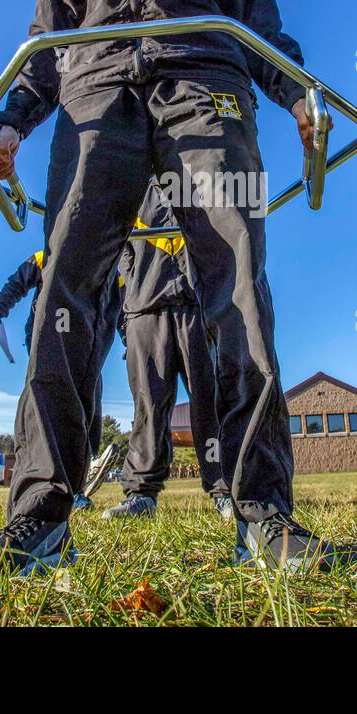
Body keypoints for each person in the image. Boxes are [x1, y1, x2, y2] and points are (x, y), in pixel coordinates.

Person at [0, 0, 333, 576]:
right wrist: (14, 125)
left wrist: (297, 95)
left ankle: (262, 512)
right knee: (64, 294)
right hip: (94, 104)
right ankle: (39, 521)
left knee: (237, 289)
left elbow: (262, 23)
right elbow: (40, 50)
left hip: (205, 89)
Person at [104, 178, 232, 521]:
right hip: (144, 310)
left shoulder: (197, 183)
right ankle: (141, 495)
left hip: (196, 306)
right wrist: (127, 319)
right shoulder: (130, 190)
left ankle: (225, 490)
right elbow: (123, 258)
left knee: (210, 401)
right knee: (148, 404)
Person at [0, 250, 121, 509]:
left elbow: (120, 307)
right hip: (46, 341)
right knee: (45, 405)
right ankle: (37, 476)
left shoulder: (107, 260)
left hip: (87, 346)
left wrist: (129, 338)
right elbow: (14, 285)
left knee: (90, 404)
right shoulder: (45, 255)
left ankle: (80, 479)